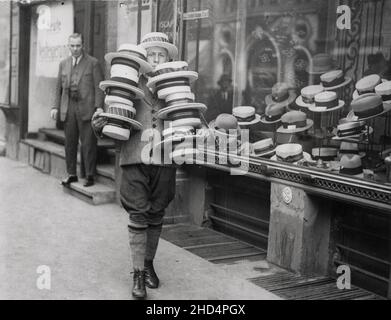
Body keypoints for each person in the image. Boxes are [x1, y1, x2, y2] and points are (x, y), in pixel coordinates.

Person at [91, 32, 178, 299]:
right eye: (150, 54)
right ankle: (138, 272)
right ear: (142, 59)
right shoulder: (125, 82)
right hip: (133, 156)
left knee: (157, 212)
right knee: (138, 214)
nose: (154, 58)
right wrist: (100, 125)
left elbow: (189, 116)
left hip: (164, 157)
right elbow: (111, 118)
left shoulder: (176, 85)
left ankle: (149, 263)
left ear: (166, 58)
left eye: (160, 54)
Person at [51, 33, 104, 187]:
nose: (75, 49)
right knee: (70, 142)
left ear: (83, 46)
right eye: (72, 46)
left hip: (87, 107)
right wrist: (55, 106)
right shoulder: (64, 64)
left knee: (88, 143)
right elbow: (58, 88)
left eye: (78, 45)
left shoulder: (93, 63)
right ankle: (72, 174)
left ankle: (89, 175)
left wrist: (99, 107)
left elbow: (99, 88)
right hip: (69, 108)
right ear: (68, 46)